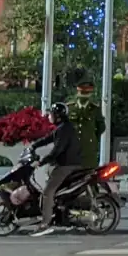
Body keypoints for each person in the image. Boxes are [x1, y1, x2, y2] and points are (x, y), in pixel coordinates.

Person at [29, 100, 83, 236]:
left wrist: (41, 162)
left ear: (58, 116)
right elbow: (48, 138)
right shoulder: (63, 128)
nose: (49, 116)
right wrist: (34, 145)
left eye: (52, 114)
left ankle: (45, 223)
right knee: (55, 190)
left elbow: (57, 151)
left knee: (48, 192)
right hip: (67, 164)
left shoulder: (64, 130)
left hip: (66, 166)